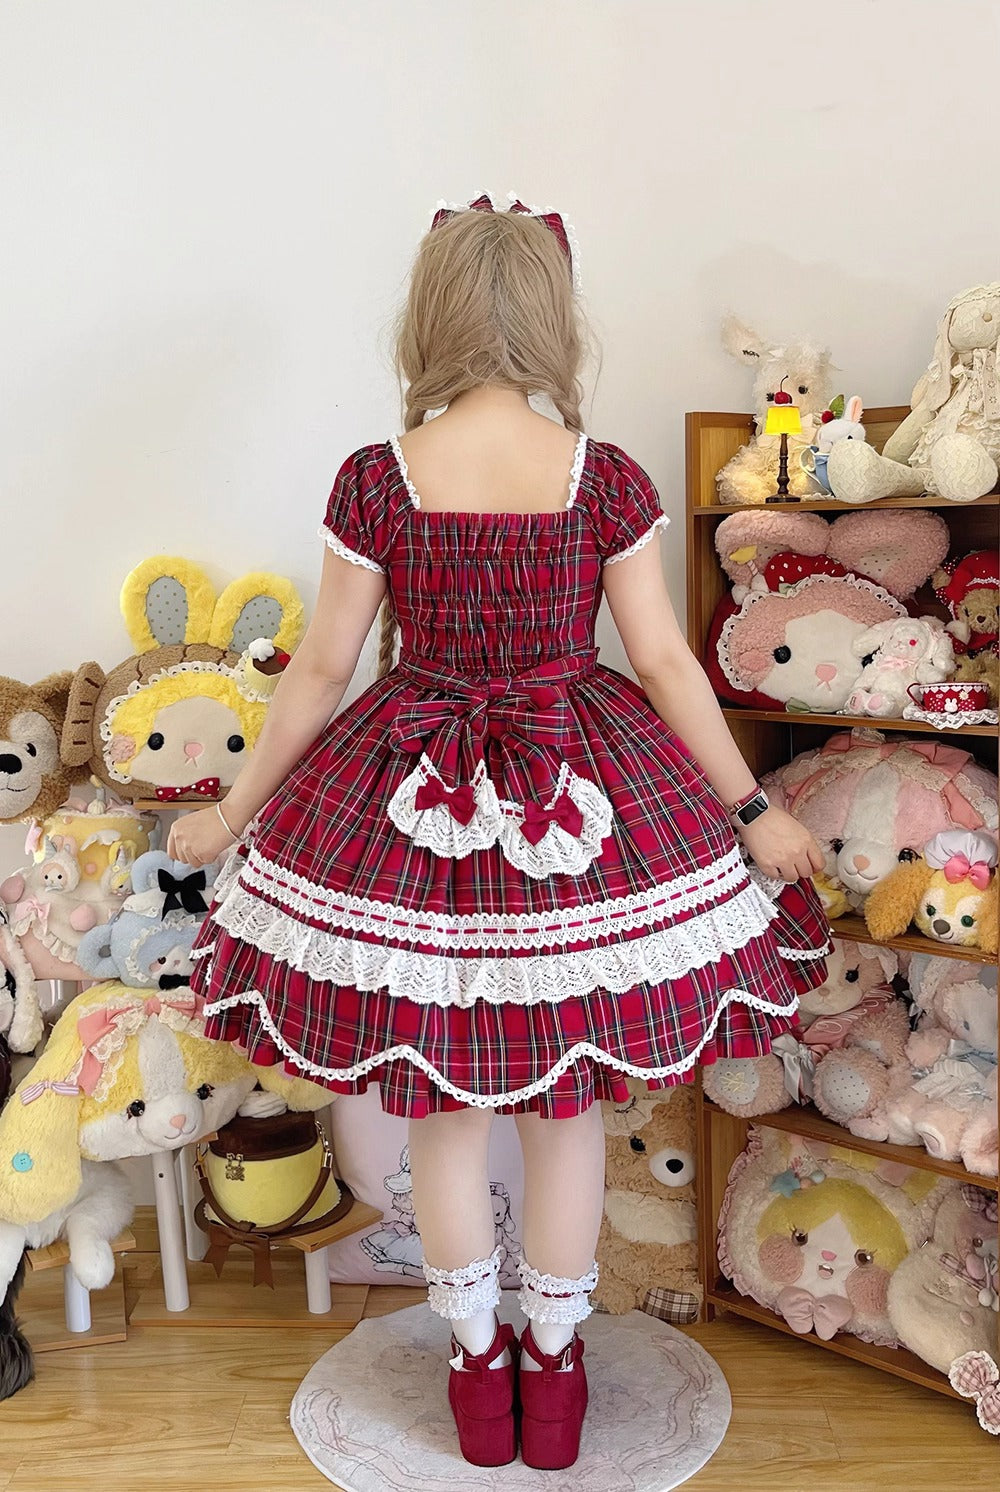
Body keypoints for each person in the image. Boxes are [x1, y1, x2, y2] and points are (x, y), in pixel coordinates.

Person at [169, 194, 829, 1471]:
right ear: (550, 317)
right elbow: (663, 663)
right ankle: (554, 1370)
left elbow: (323, 669)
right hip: (579, 791)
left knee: (445, 1106)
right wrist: (753, 810)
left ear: (428, 316)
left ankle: (479, 1370)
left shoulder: (379, 477)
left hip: (408, 791)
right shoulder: (603, 474)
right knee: (565, 1108)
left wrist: (235, 809)